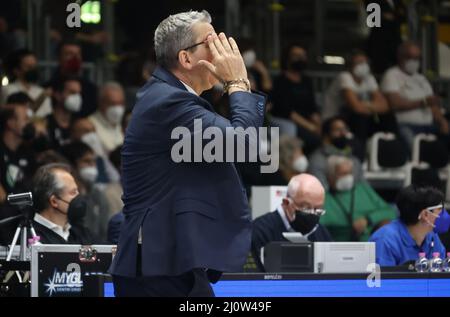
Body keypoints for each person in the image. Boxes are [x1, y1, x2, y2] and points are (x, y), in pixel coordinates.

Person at [109, 11, 266, 297]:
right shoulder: (169, 102)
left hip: (170, 262)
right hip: (157, 266)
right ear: (186, 58)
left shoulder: (175, 99)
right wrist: (238, 82)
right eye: (212, 42)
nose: (225, 50)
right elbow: (246, 144)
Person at [252, 174, 332, 271]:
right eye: (305, 207)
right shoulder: (259, 232)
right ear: (286, 203)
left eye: (318, 209)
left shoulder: (321, 233)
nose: (312, 214)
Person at [381, 41, 449, 151]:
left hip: (429, 126)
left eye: (417, 58)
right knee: (419, 152)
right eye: (410, 57)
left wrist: (442, 121)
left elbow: (432, 104)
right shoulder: (392, 75)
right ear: (400, 57)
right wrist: (422, 102)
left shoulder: (421, 79)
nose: (414, 61)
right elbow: (395, 103)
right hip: (405, 126)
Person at [323, 50, 396, 149]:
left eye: (365, 63)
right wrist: (371, 106)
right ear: (350, 65)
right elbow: (355, 107)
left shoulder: (369, 78)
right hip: (333, 118)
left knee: (387, 116)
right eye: (359, 63)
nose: (363, 66)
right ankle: (360, 153)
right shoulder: (344, 77)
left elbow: (385, 106)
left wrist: (365, 105)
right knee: (360, 117)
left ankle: (391, 148)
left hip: (358, 116)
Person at [321, 156, 397, 242]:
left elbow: (390, 212)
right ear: (330, 177)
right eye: (343, 173)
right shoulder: (325, 199)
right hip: (340, 245)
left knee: (387, 225)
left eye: (350, 173)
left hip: (372, 241)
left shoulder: (363, 190)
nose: (348, 177)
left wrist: (368, 220)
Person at [369, 185, 449, 266]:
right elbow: (384, 277)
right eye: (440, 209)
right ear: (425, 214)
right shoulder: (385, 241)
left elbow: (440, 273)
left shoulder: (432, 237)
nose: (444, 214)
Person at [270, 44, 321, 153]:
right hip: (288, 120)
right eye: (296, 55)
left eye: (303, 55)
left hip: (306, 120)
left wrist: (318, 125)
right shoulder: (280, 81)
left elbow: (313, 107)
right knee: (311, 138)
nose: (300, 59)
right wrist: (310, 127)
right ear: (287, 58)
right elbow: (287, 111)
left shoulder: (307, 81)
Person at [31, 163, 96, 244]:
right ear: (54, 201)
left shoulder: (80, 232)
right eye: (73, 192)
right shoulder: (30, 237)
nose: (78, 197)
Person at [60, 141, 112, 241]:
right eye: (86, 161)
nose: (92, 166)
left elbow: (104, 230)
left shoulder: (97, 194)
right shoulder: (63, 197)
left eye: (94, 162)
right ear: (72, 165)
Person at [307, 116, 364, 190]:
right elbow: (321, 192)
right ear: (326, 136)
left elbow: (364, 189)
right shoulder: (317, 160)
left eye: (345, 129)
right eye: (337, 130)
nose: (343, 133)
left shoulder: (354, 160)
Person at [46, 40, 98, 118]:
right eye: (69, 54)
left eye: (78, 54)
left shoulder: (91, 89)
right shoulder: (49, 88)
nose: (75, 58)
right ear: (59, 58)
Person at [2, 49, 52, 117]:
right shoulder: (8, 90)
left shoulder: (41, 91)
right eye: (29, 67)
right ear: (16, 70)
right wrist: (42, 98)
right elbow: (22, 115)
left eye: (34, 66)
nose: (33, 70)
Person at [45, 76, 82, 150]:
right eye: (72, 93)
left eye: (79, 93)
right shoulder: (46, 124)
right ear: (57, 95)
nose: (77, 97)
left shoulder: (79, 124)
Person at [88, 82, 126, 153]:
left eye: (121, 103)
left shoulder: (122, 127)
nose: (117, 108)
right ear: (100, 102)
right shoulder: (89, 126)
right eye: (112, 104)